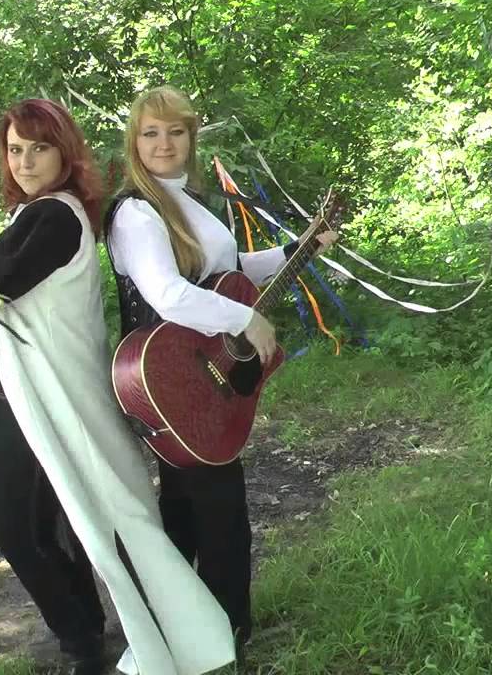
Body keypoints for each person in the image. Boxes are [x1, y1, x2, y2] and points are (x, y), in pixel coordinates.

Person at [0, 98, 235, 675]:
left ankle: (84, 643)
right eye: (15, 150)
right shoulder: (30, 216)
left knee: (26, 538)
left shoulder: (59, 216)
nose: (25, 161)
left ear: (66, 154)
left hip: (25, 403)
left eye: (39, 148)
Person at [103, 85, 338, 665]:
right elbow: (166, 294)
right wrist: (245, 318)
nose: (163, 144)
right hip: (174, 381)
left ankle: (184, 633)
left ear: (191, 138)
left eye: (175, 132)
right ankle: (224, 637)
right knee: (220, 515)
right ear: (134, 142)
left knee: (188, 511)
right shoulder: (137, 211)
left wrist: (300, 248)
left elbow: (229, 271)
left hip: (198, 377)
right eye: (151, 133)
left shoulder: (186, 203)